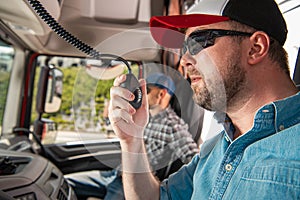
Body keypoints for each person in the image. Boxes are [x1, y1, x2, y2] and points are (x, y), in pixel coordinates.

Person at [108, 0, 300, 199]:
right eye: (184, 49)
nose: (184, 60)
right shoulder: (212, 151)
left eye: (197, 42)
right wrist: (132, 141)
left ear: (255, 48)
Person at [66, 73, 198, 200]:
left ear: (161, 94)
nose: (140, 95)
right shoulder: (143, 116)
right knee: (64, 184)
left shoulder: (173, 126)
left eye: (147, 91)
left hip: (130, 185)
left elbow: (195, 160)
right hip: (116, 174)